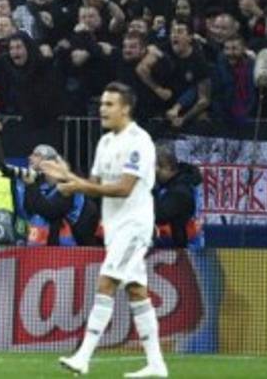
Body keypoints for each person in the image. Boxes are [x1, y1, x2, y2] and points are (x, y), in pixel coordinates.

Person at [40, 82, 167, 378]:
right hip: (114, 227)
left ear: (126, 108)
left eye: (110, 104)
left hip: (134, 226)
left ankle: (83, 357)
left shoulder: (139, 141)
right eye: (102, 104)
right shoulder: (105, 142)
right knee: (136, 290)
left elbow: (123, 188)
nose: (103, 110)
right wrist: (67, 175)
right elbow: (94, 186)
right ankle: (157, 364)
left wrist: (77, 184)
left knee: (106, 283)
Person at [20, 144, 100, 247]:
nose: (30, 157)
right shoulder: (42, 186)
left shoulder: (69, 187)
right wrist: (30, 185)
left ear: (51, 162)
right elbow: (30, 208)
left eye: (37, 155)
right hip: (43, 249)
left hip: (73, 251)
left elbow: (50, 211)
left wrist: (31, 185)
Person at [153, 143, 204, 249]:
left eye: (158, 169)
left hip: (185, 254)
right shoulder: (178, 184)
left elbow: (159, 216)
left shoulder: (180, 191)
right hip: (181, 250)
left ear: (169, 168)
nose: (155, 173)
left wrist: (151, 190)